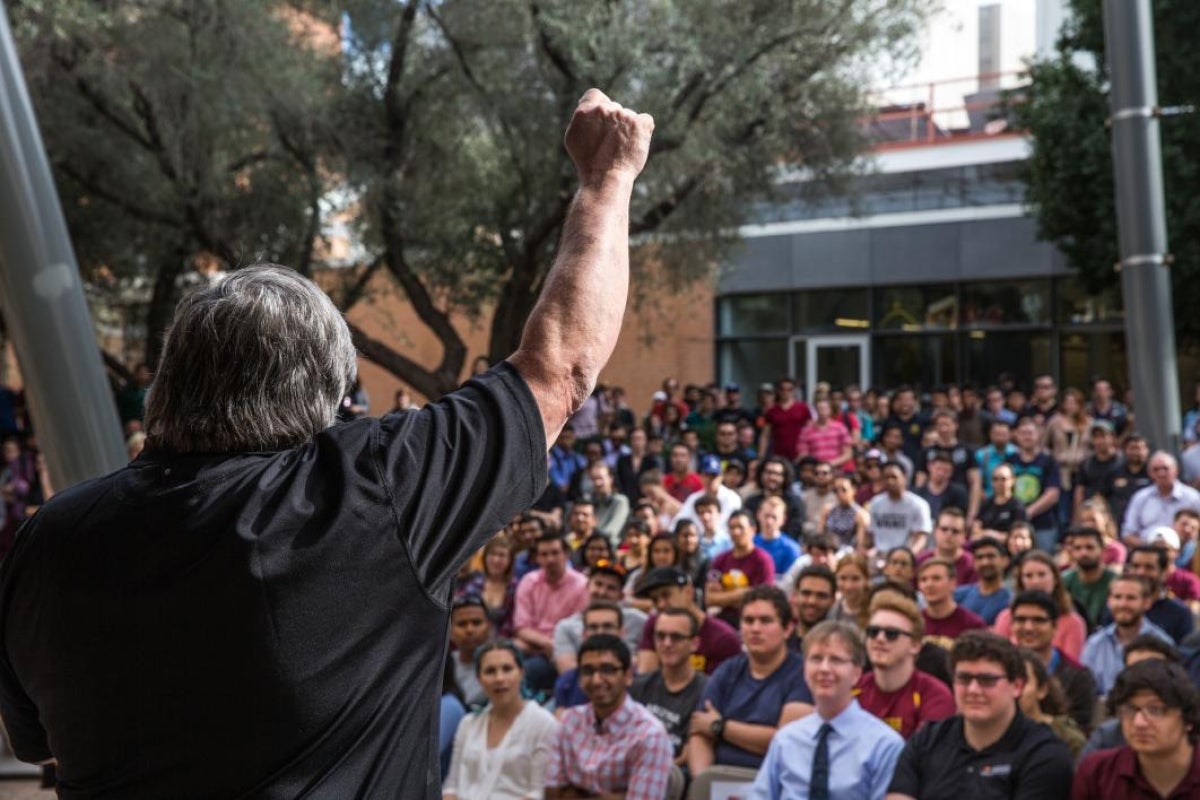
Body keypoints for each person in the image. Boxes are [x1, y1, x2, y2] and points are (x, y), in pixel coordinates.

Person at [0, 89, 655, 795]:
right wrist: (606, 179)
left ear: (167, 383)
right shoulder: (371, 491)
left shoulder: (51, 538)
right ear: (324, 398)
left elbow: (38, 742)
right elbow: (562, 366)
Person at [885, 632, 1075, 800]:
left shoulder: (1044, 754)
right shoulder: (926, 741)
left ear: (1016, 686)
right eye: (964, 679)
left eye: (987, 680)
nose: (973, 690)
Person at [752, 621, 905, 800]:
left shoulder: (884, 745)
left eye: (836, 660)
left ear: (856, 673)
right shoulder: (786, 740)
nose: (824, 669)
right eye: (816, 659)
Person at [688, 586, 814, 777]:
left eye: (765, 621)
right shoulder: (727, 670)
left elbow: (784, 741)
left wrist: (720, 727)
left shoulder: (802, 674)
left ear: (787, 629)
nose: (755, 629)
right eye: (748, 621)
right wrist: (704, 782)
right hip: (718, 780)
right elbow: (699, 730)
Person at [545, 635, 674, 800]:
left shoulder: (650, 735)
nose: (597, 680)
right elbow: (553, 794)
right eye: (588, 671)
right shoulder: (568, 721)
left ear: (628, 676)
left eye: (607, 669)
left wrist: (576, 794)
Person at [443, 640, 558, 800]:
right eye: (490, 671)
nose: (499, 678)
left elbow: (538, 793)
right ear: (479, 678)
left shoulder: (544, 723)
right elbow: (451, 786)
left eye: (507, 669)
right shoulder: (468, 723)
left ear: (521, 672)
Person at [1072, 659, 1200, 800]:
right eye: (1130, 710)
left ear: (1188, 719)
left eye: (1155, 710)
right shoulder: (1097, 772)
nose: (1139, 723)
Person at [856, 596, 955, 739]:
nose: (880, 639)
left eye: (891, 634)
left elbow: (924, 755)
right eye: (873, 632)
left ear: (915, 645)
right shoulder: (852, 689)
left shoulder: (935, 695)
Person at [1007, 590, 1096, 734]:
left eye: (1038, 620)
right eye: (1021, 620)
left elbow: (1079, 730)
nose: (1028, 627)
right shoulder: (999, 669)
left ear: (1055, 627)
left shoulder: (1077, 676)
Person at [630, 607, 708, 766]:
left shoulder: (708, 690)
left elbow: (688, 756)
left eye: (676, 637)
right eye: (660, 636)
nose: (667, 643)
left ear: (695, 644)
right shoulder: (638, 686)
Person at [514, 532, 591, 694]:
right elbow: (521, 628)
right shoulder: (529, 581)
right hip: (538, 646)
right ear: (537, 558)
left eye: (555, 553)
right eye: (544, 554)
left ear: (566, 554)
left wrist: (553, 646)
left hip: (564, 652)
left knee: (525, 671)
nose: (550, 559)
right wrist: (547, 644)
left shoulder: (581, 586)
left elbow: (575, 633)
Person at [635, 567, 743, 676]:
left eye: (666, 595)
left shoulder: (722, 638)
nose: (661, 605)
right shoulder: (654, 625)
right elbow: (646, 678)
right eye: (655, 600)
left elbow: (719, 690)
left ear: (688, 592)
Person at [1081, 575, 1173, 695]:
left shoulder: (1163, 644)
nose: (1123, 604)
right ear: (1109, 601)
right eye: (1117, 597)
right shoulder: (1094, 644)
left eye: (1131, 598)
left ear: (1146, 603)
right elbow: (1085, 691)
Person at [553, 562, 647, 674]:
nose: (602, 592)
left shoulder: (639, 621)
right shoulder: (566, 627)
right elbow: (568, 671)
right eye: (598, 584)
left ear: (621, 596)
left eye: (611, 588)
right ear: (587, 586)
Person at [993, 550, 1087, 659]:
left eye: (1042, 575)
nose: (1035, 581)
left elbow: (1071, 664)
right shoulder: (1006, 618)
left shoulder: (1073, 622)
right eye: (1029, 576)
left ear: (1055, 578)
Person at [706, 510, 776, 627]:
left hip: (752, 621)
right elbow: (709, 598)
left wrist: (724, 595)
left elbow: (762, 600)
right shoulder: (720, 559)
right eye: (732, 528)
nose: (736, 532)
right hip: (723, 619)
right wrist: (741, 593)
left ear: (753, 530)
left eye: (740, 527)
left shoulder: (763, 560)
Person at [1015, 648, 1086, 759]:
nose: (1015, 691)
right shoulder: (988, 733)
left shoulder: (1066, 738)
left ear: (1042, 690)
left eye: (1023, 683)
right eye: (1008, 681)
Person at [1006, 415, 1062, 555]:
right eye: (1023, 433)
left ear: (1038, 435)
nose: (1027, 437)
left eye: (1030, 433)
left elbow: (1053, 494)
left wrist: (1029, 511)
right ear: (1017, 436)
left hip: (1044, 523)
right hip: (1015, 523)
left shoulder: (1048, 461)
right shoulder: (1010, 460)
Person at [1122, 452, 1200, 544]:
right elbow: (1127, 533)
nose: (1161, 473)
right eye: (1156, 470)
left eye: (1165, 468)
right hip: (1147, 550)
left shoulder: (1193, 498)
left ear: (1176, 470)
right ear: (1150, 473)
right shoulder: (1140, 498)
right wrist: (1148, 547)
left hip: (1185, 551)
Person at [1125, 545, 1194, 644]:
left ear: (1164, 572)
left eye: (1149, 567)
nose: (1141, 572)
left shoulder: (1179, 613)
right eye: (1136, 566)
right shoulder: (1118, 608)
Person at [917, 558, 987, 652]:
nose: (929, 584)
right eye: (923, 580)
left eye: (936, 578)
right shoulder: (913, 623)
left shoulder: (973, 625)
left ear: (953, 583)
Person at [1062, 526, 1119, 632]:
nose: (1084, 553)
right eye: (1078, 548)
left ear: (1102, 550)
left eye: (1090, 547)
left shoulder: (1116, 582)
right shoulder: (1063, 581)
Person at [868, 463, 933, 554]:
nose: (890, 481)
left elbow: (921, 538)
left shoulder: (919, 504)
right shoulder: (875, 503)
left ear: (904, 478)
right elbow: (871, 533)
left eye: (894, 477)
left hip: (905, 554)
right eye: (886, 477)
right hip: (879, 553)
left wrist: (910, 555)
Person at [449, 595, 495, 708]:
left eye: (476, 622)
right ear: (450, 632)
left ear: (489, 628)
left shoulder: (503, 666)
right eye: (462, 624)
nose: (470, 630)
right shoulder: (442, 667)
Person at [953, 537, 1011, 625]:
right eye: (979, 557)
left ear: (1005, 561)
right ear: (973, 563)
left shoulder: (1010, 601)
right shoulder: (958, 595)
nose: (985, 562)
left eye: (991, 556)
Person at [917, 508, 979, 586]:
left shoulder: (973, 564)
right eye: (944, 529)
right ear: (935, 531)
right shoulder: (920, 561)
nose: (949, 535)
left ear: (964, 536)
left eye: (955, 531)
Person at [1107, 433, 1153, 531]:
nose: (1136, 452)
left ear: (1147, 451)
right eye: (1132, 448)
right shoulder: (1115, 472)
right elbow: (1103, 496)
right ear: (1125, 450)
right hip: (1118, 522)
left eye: (1139, 448)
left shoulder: (1153, 473)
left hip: (1146, 521)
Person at [972, 463, 1026, 540]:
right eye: (995, 479)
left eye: (1003, 479)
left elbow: (1018, 535)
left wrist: (989, 534)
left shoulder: (1017, 506)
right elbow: (975, 529)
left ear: (1012, 480)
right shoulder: (986, 504)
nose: (999, 482)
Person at [820, 474, 871, 552]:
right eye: (836, 490)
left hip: (848, 552)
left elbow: (860, 545)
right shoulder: (828, 510)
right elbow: (820, 535)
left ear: (853, 490)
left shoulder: (860, 514)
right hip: (827, 550)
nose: (839, 494)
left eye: (844, 490)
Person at [788, 565, 838, 642]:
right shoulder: (780, 643)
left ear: (833, 600)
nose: (812, 601)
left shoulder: (842, 647)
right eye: (806, 593)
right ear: (795, 595)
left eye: (821, 595)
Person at [754, 495, 801, 576]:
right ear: (758, 515)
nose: (769, 521)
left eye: (774, 517)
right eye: (766, 516)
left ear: (783, 519)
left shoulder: (791, 549)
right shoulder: (750, 543)